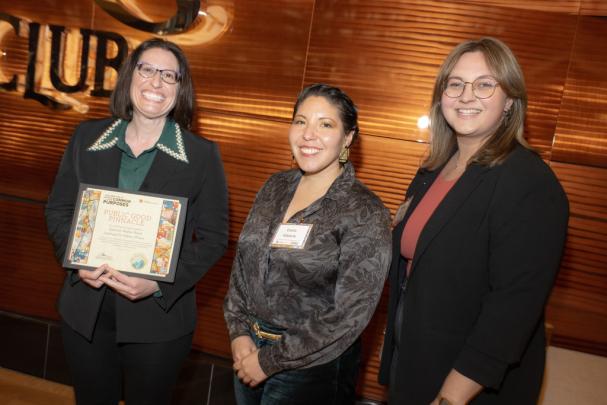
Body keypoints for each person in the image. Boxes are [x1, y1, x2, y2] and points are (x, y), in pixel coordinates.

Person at [378, 37, 569, 405]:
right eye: (455, 84)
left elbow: (512, 312)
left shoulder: (528, 183)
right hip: (415, 363)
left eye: (484, 84)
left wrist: (450, 398)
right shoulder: (433, 170)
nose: (466, 96)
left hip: (467, 385)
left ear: (510, 100)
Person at [45, 38, 229, 404]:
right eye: (147, 70)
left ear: (181, 88)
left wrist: (158, 283)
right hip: (86, 311)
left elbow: (212, 237)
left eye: (169, 76)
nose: (156, 83)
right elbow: (59, 210)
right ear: (130, 76)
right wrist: (77, 259)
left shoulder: (202, 155)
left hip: (158, 320)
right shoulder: (86, 137)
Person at [224, 83, 392, 404]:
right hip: (247, 353)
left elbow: (351, 313)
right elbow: (242, 266)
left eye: (325, 124)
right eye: (300, 121)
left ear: (348, 138)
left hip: (314, 369)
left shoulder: (364, 211)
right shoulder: (275, 186)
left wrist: (271, 360)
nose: (308, 134)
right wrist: (239, 332)